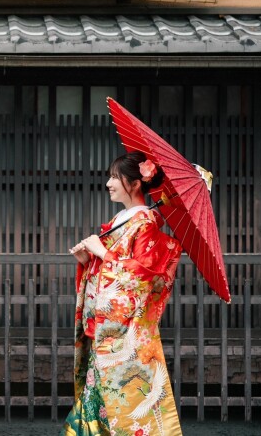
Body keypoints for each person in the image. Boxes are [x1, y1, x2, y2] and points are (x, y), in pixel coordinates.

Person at [63, 151, 183, 436]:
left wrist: (102, 252)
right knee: (99, 412)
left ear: (135, 183)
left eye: (115, 177)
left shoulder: (145, 225)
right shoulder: (126, 220)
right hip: (106, 333)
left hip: (124, 338)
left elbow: (141, 278)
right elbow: (108, 272)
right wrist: (87, 261)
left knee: (101, 413)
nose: (108, 183)